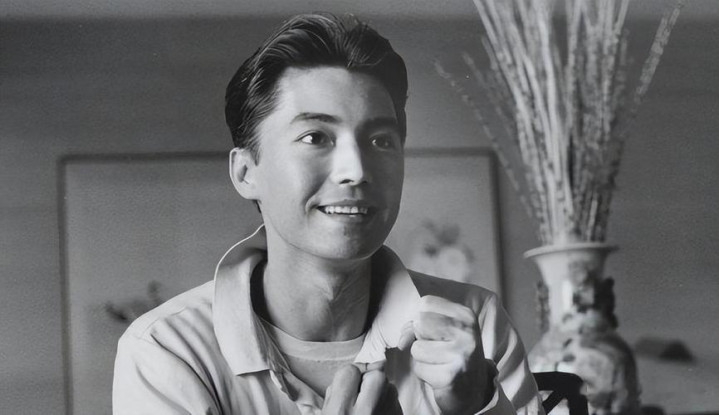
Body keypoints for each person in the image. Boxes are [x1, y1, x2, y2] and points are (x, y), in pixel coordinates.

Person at [113, 13, 543, 415]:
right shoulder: (168, 349)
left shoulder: (475, 320)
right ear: (246, 173)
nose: (356, 170)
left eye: (380, 141)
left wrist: (478, 404)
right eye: (315, 137)